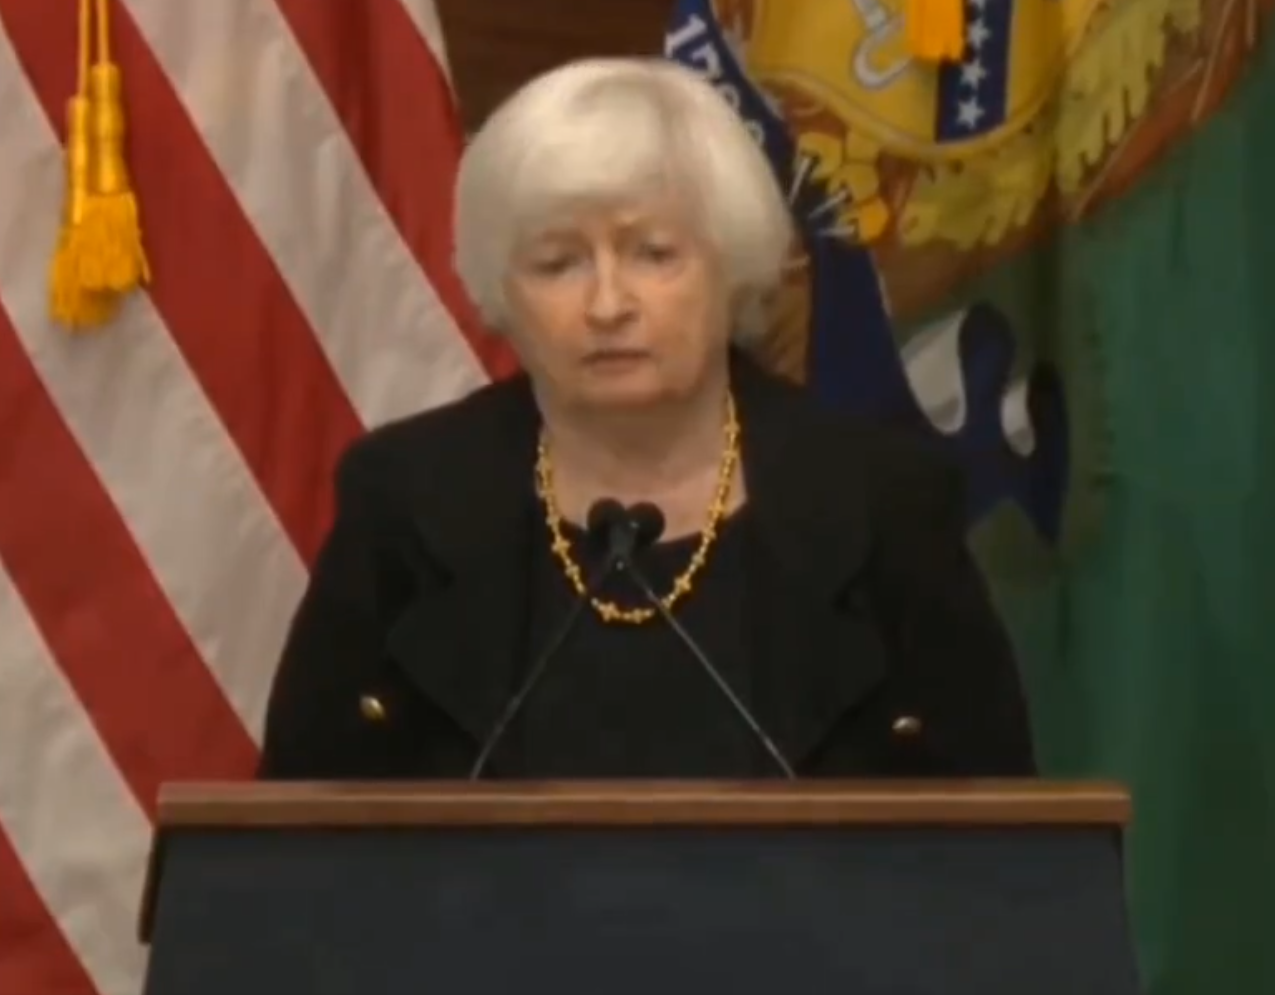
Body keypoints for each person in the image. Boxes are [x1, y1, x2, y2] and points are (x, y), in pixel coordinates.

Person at [256, 57, 1036, 781]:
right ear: (503, 291)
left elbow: (994, 844)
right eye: (558, 263)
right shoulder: (405, 502)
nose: (607, 304)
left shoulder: (882, 502)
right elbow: (297, 837)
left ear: (731, 265)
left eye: (653, 254)